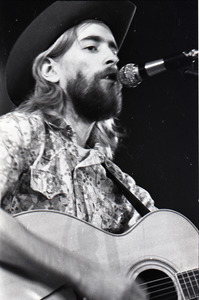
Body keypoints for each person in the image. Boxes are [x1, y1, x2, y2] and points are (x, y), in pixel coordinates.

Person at [0, 1, 157, 299]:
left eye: (114, 50)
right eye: (92, 47)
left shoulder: (124, 190)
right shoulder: (19, 131)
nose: (113, 58)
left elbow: (176, 252)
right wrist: (85, 275)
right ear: (50, 69)